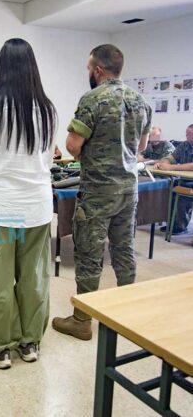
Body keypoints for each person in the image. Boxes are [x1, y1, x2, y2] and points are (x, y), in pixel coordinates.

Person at [0, 38, 57, 369]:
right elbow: (46, 161)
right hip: (37, 207)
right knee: (34, 277)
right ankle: (29, 342)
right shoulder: (48, 110)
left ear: (3, 66)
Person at [52, 44, 151, 341]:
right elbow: (142, 148)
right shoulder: (140, 100)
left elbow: (72, 146)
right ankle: (128, 311)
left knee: (90, 252)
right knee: (124, 248)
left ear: (97, 69)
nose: (88, 74)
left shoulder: (93, 99)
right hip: (128, 189)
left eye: (88, 69)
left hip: (97, 190)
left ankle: (82, 320)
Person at [155, 124, 193, 234]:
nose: (187, 136)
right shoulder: (185, 145)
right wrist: (163, 163)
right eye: (187, 134)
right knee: (169, 188)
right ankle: (172, 224)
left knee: (182, 193)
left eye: (190, 134)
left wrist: (171, 167)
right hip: (186, 180)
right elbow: (171, 158)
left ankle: (179, 226)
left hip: (189, 182)